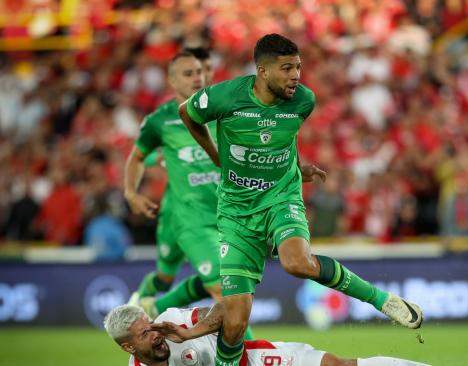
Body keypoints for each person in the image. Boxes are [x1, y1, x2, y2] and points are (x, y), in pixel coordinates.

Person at [177, 33, 423, 365]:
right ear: (262, 71)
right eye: (286, 68)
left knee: (296, 262)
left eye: (298, 67)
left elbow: (281, 139)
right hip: (236, 211)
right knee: (235, 322)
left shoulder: (303, 101)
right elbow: (186, 112)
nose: (296, 76)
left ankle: (383, 301)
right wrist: (215, 154)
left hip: (281, 197)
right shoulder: (224, 97)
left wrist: (295, 167)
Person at [123, 50, 223, 320]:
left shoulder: (223, 113)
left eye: (200, 72)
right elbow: (139, 157)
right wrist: (131, 193)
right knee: (225, 292)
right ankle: (244, 359)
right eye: (188, 74)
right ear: (172, 81)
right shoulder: (161, 121)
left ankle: (153, 307)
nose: (197, 78)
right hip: (189, 218)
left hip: (228, 215)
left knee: (222, 285)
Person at [104, 304, 430, 366]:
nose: (157, 335)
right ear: (128, 347)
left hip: (250, 359)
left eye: (151, 327)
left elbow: (226, 310)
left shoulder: (171, 321)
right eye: (146, 335)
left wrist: (190, 332)